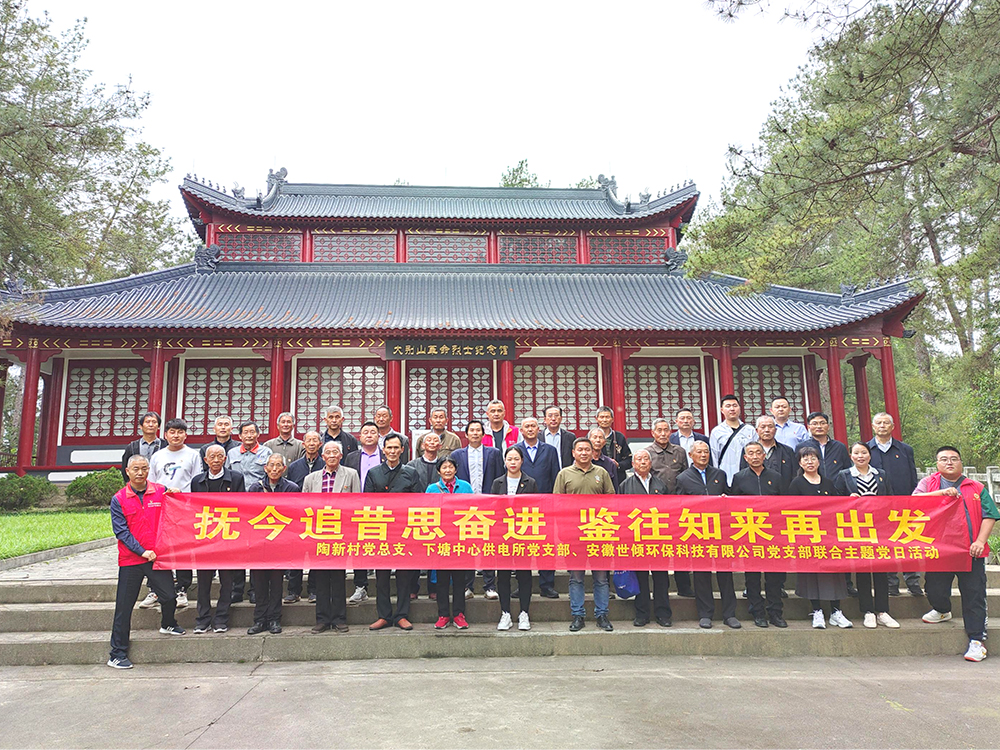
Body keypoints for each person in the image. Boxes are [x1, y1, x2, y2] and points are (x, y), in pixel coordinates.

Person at [915, 446, 998, 662]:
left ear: (961, 463)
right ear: (937, 464)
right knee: (934, 588)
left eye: (954, 459)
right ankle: (942, 610)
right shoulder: (928, 484)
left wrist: (980, 541)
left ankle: (977, 640)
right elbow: (914, 503)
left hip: (970, 550)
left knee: (973, 594)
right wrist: (942, 493)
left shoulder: (976, 487)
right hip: (940, 550)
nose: (949, 462)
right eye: (944, 459)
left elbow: (990, 515)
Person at [107, 455, 185, 668]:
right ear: (127, 471)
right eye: (135, 469)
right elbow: (121, 532)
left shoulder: (160, 491)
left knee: (169, 596)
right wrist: (142, 551)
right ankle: (117, 654)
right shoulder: (119, 499)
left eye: (144, 468)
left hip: (157, 557)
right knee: (124, 607)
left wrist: (177, 495)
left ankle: (168, 624)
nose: (140, 473)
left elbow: (177, 511)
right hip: (131, 560)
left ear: (149, 469)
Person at [834, 442, 899, 629]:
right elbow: (835, 500)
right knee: (863, 570)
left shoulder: (881, 474)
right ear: (851, 456)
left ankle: (883, 611)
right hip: (857, 528)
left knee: (881, 569)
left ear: (870, 455)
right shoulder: (844, 475)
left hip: (880, 527)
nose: (860, 456)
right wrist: (848, 500)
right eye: (856, 453)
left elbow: (890, 497)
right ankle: (868, 611)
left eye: (864, 452)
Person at [555, 438, 616, 632]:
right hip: (573, 535)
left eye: (587, 449)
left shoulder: (601, 473)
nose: (583, 453)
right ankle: (577, 615)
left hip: (599, 533)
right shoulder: (564, 474)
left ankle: (602, 615)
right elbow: (557, 503)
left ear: (592, 452)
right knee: (576, 577)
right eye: (580, 449)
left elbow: (611, 500)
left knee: (601, 578)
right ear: (573, 453)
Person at [676, 441, 739, 629]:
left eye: (706, 452)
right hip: (697, 532)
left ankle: (729, 614)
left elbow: (729, 498)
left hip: (720, 531)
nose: (703, 455)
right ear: (691, 455)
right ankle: (705, 614)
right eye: (699, 452)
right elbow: (679, 506)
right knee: (701, 575)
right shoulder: (683, 478)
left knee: (725, 574)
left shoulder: (719, 474)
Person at [364, 434, 423, 631]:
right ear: (383, 450)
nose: (392, 451)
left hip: (403, 531)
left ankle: (402, 615)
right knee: (381, 576)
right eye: (389, 447)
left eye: (396, 448)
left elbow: (418, 502)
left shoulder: (411, 473)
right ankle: (384, 615)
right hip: (380, 529)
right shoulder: (373, 473)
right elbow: (367, 503)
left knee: (404, 575)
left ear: (402, 450)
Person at [791, 445, 853, 629]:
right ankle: (817, 611)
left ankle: (836, 611)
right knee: (812, 574)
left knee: (834, 573)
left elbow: (837, 507)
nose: (810, 462)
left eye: (813, 458)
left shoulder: (828, 483)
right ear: (800, 463)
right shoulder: (796, 484)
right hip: (807, 536)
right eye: (805, 459)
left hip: (829, 536)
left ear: (819, 461)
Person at [302, 441, 360, 634]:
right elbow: (304, 506)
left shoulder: (351, 474)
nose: (332, 455)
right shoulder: (311, 478)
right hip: (317, 534)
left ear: (341, 456)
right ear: (323, 456)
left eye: (336, 452)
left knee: (338, 577)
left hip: (340, 533)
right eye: (328, 452)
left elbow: (357, 503)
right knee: (320, 578)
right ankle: (322, 619)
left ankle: (339, 618)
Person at [146, 418, 202, 609]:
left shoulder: (193, 455)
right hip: (160, 506)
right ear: (165, 434)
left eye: (180, 432)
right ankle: (155, 589)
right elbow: (152, 482)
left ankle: (182, 589)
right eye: (172, 432)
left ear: (185, 435)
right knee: (159, 546)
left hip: (183, 507)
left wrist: (182, 494)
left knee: (182, 548)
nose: (176, 435)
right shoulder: (157, 456)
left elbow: (196, 481)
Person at [189, 444, 245, 634]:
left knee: (227, 582)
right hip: (205, 538)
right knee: (203, 582)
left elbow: (242, 506)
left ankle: (221, 618)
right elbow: (194, 508)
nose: (215, 460)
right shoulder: (197, 481)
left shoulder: (236, 478)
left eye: (219, 456)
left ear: (225, 459)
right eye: (211, 457)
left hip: (227, 537)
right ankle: (202, 619)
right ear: (205, 460)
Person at [731, 441, 788, 628]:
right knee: (752, 577)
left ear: (764, 456)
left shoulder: (776, 477)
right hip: (750, 533)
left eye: (758, 453)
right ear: (745, 458)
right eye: (751, 453)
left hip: (773, 534)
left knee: (774, 577)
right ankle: (757, 612)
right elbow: (734, 505)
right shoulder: (739, 478)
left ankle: (775, 612)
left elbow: (785, 504)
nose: (755, 456)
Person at [867, 412, 923, 597]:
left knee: (907, 542)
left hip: (903, 503)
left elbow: (912, 476)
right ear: (873, 426)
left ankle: (912, 581)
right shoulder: (866, 449)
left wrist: (914, 499)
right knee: (885, 544)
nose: (882, 426)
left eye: (886, 423)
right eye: (878, 423)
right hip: (877, 506)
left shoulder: (905, 449)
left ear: (892, 427)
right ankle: (891, 583)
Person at [800, 411, 855, 596]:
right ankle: (815, 589)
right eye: (814, 423)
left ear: (828, 426)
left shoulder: (839, 447)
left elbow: (847, 471)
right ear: (809, 427)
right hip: (810, 506)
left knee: (838, 544)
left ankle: (846, 583)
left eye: (822, 423)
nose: (819, 426)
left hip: (835, 500)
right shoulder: (802, 447)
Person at [620, 449, 674, 628]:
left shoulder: (660, 484)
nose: (642, 462)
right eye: (639, 459)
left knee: (661, 578)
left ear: (651, 463)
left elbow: (669, 510)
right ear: (633, 464)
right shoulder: (625, 485)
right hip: (636, 539)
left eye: (645, 459)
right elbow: (620, 513)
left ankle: (663, 614)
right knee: (640, 577)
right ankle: (642, 614)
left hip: (658, 538)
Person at [246, 453, 298, 634]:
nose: (274, 469)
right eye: (271, 465)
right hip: (259, 543)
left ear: (284, 468)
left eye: (278, 465)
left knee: (276, 584)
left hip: (281, 543)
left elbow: (294, 514)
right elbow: (249, 514)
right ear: (265, 468)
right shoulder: (255, 488)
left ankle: (275, 619)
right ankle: (259, 620)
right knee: (259, 584)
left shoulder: (292, 488)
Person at [452, 419, 503, 598]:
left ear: (483, 433)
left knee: (488, 545)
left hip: (488, 504)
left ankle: (489, 586)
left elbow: (499, 478)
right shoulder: (457, 455)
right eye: (471, 430)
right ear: (466, 434)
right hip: (465, 506)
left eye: (478, 430)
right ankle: (468, 586)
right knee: (467, 545)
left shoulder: (494, 453)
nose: (475, 433)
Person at [646, 418, 694, 597]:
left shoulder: (679, 451)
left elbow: (686, 475)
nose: (663, 433)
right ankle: (661, 589)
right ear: (653, 433)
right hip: (656, 509)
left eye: (666, 430)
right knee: (660, 549)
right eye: (659, 430)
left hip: (678, 506)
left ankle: (684, 586)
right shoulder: (647, 452)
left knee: (681, 547)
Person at [490, 446, 537, 631]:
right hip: (503, 535)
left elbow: (535, 508)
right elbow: (492, 509)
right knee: (503, 576)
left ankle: (524, 613)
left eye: (516, 459)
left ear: (522, 461)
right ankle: (505, 613)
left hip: (523, 534)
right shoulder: (497, 483)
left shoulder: (530, 482)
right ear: (505, 461)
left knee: (524, 575)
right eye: (509, 459)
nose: (513, 462)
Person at [426, 457, 474, 629]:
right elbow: (427, 512)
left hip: (460, 540)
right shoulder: (432, 489)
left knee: (460, 580)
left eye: (451, 467)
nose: (447, 470)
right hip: (440, 540)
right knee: (442, 580)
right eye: (444, 467)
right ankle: (443, 615)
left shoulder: (466, 487)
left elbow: (474, 509)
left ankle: (459, 614)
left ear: (456, 469)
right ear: (438, 471)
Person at [341, 421, 384, 605]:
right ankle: (360, 586)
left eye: (373, 432)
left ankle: (383, 587)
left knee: (381, 546)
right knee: (359, 546)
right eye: (365, 432)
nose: (369, 435)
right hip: (357, 507)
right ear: (360, 436)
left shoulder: (386, 455)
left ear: (378, 436)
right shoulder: (352, 457)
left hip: (382, 508)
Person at [539, 407, 573, 598]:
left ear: (561, 418)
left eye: (556, 416)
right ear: (544, 419)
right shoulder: (537, 437)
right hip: (541, 490)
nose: (553, 419)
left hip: (565, 489)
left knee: (564, 532)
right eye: (549, 416)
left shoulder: (570, 437)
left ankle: (570, 564)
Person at [709, 395, 757, 483]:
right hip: (725, 476)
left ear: (739, 408)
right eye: (728, 406)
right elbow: (714, 456)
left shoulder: (750, 430)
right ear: (722, 410)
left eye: (735, 405)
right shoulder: (717, 432)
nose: (732, 409)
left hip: (748, 477)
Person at [739, 415, 796, 488]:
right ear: (757, 430)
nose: (767, 430)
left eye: (770, 427)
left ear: (775, 430)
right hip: (755, 491)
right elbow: (743, 474)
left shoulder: (787, 451)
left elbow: (794, 475)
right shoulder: (747, 450)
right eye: (763, 427)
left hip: (782, 492)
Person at [515, 417, 560, 493]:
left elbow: (555, 476)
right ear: (521, 431)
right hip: (522, 494)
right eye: (527, 426)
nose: (530, 429)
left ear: (538, 429)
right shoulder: (515, 450)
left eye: (533, 426)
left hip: (544, 494)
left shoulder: (550, 450)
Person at [120, 411, 164, 482]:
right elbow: (125, 467)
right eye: (147, 422)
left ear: (158, 426)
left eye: (154, 422)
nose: (151, 425)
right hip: (138, 485)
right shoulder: (132, 447)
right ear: (141, 426)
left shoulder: (165, 445)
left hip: (159, 484)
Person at [227, 421, 272, 490]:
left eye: (252, 432)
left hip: (259, 491)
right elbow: (227, 473)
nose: (249, 436)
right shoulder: (232, 453)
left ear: (258, 434)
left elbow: (271, 475)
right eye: (245, 432)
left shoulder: (266, 452)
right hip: (237, 491)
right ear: (240, 436)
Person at [595, 405, 631, 485]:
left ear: (612, 419)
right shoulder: (591, 437)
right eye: (602, 417)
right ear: (596, 419)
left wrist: (618, 465)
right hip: (596, 478)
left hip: (617, 478)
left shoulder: (619, 437)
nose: (604, 420)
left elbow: (629, 460)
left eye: (607, 417)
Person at [587, 428, 621, 493]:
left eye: (600, 437)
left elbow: (614, 488)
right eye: (595, 437)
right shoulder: (582, 462)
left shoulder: (610, 463)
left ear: (604, 442)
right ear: (588, 441)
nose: (598, 440)